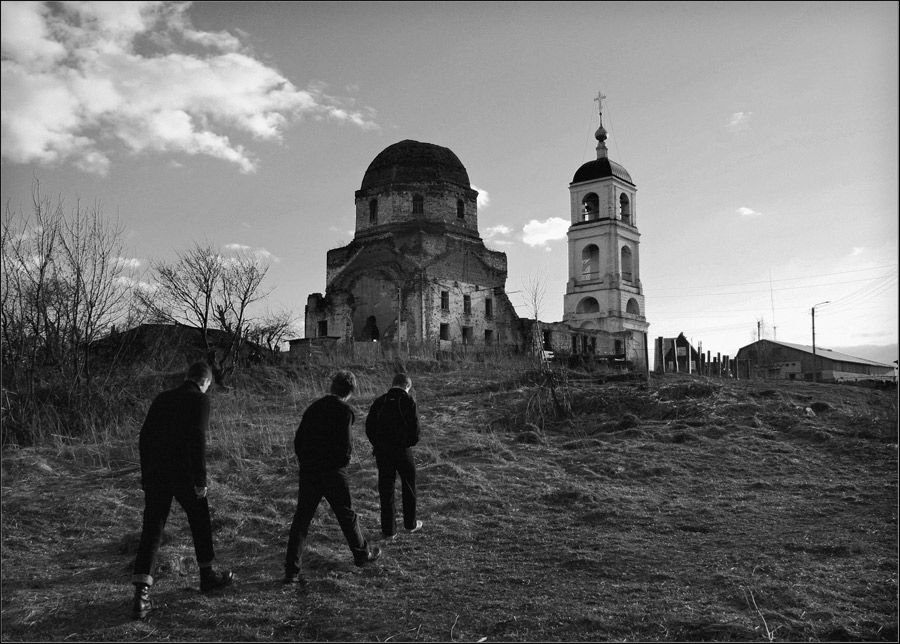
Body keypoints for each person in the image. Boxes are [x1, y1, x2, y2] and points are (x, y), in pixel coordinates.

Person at [130, 361, 233, 620]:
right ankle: (207, 575)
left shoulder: (162, 398)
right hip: (185, 475)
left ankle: (141, 597)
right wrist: (201, 478)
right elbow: (198, 437)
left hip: (156, 474)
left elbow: (144, 437)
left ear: (186, 376)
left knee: (152, 529)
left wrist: (147, 475)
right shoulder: (200, 400)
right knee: (200, 522)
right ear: (206, 382)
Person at [283, 370, 380, 583]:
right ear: (351, 391)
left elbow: (298, 441)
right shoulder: (345, 412)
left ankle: (291, 569)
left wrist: (306, 462)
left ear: (332, 387)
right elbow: (345, 447)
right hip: (334, 472)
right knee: (346, 515)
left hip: (310, 471)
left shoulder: (313, 408)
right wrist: (341, 464)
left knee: (302, 520)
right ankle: (362, 554)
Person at [366, 373, 423, 539]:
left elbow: (369, 427)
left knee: (386, 488)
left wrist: (378, 444)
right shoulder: (408, 401)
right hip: (403, 451)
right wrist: (407, 443)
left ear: (393, 384)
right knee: (409, 485)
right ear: (407, 386)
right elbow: (416, 430)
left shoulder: (380, 401)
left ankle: (389, 530)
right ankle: (410, 523)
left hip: (383, 452)